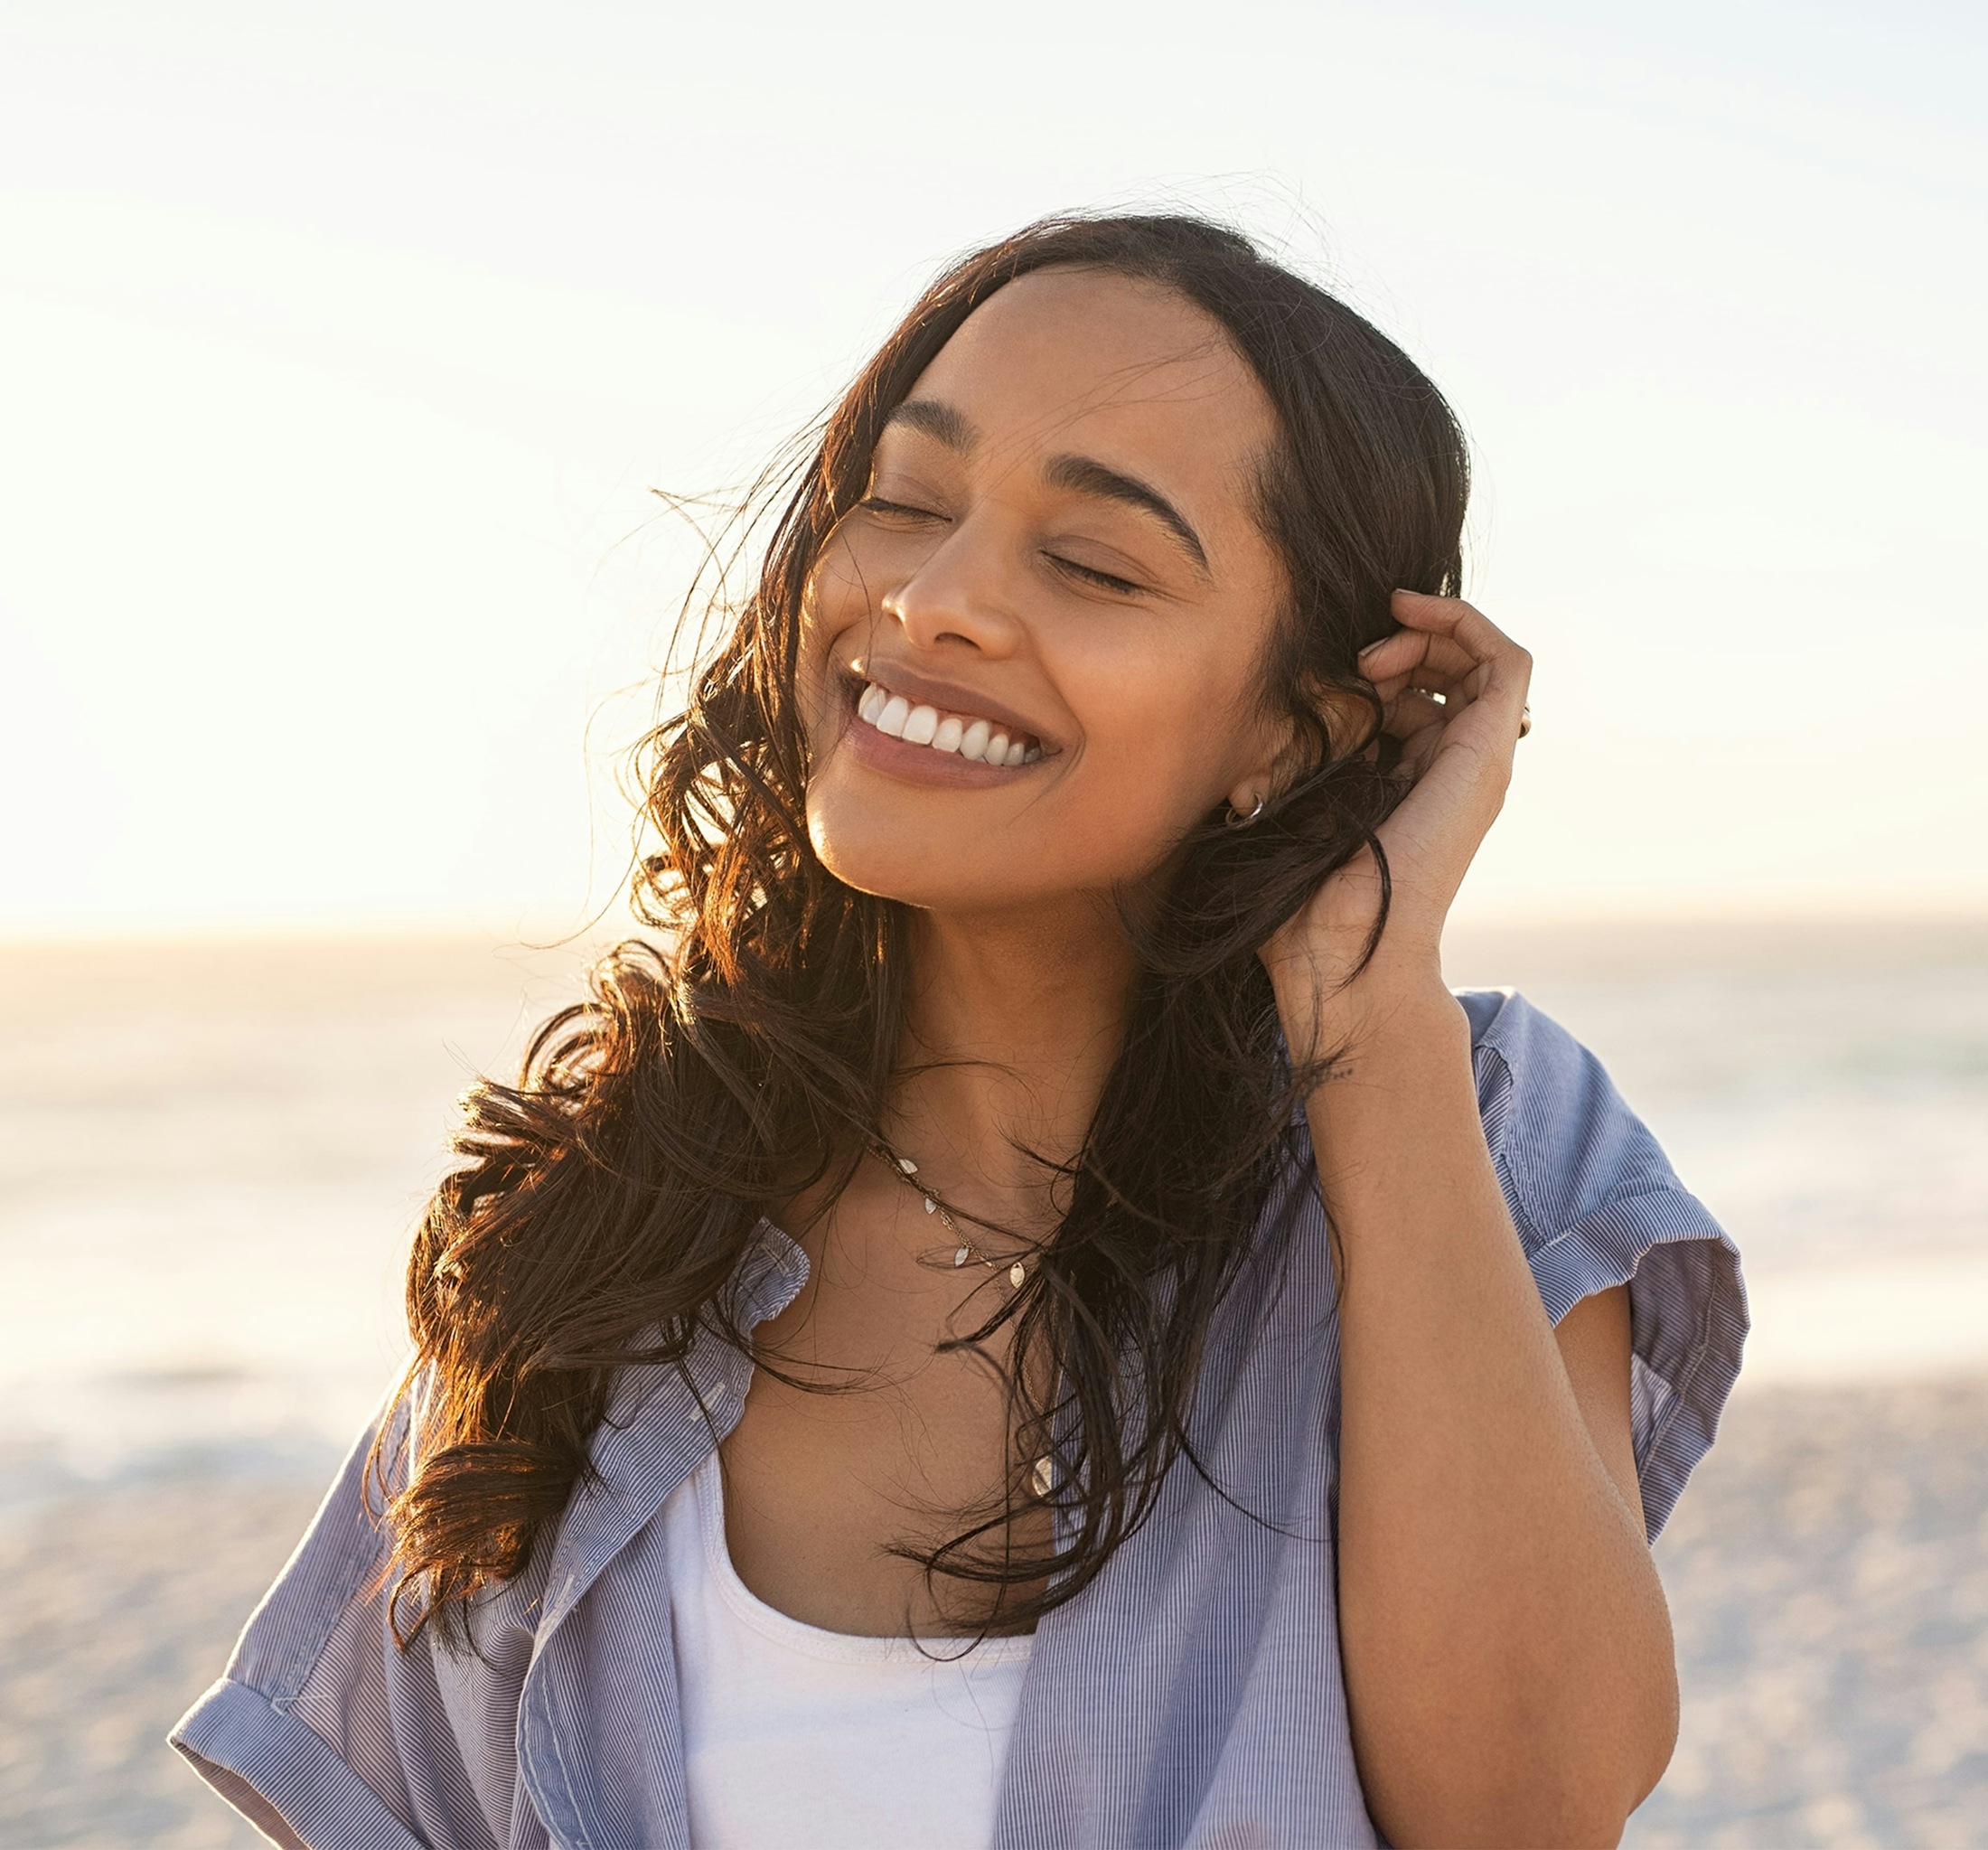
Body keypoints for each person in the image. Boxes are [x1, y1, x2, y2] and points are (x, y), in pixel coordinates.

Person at [171, 212, 1746, 1850]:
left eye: (1092, 563)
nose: (935, 603)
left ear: (1294, 726)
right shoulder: (596, 1230)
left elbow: (1531, 1808)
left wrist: (1371, 1017)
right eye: (907, 505)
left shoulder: (1475, 1126)